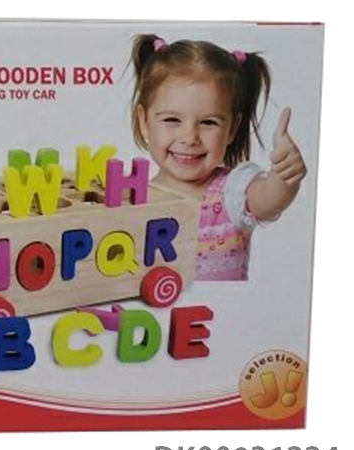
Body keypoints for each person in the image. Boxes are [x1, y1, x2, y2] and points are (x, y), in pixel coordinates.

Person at [130, 35, 307, 281]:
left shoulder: (234, 190)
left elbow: (268, 199)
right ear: (144, 121)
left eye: (208, 122)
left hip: (223, 308)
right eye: (172, 119)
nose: (189, 137)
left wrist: (285, 176)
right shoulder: (131, 198)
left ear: (232, 129)